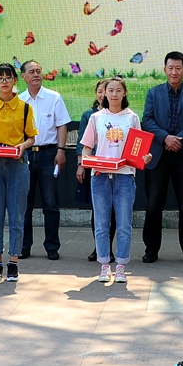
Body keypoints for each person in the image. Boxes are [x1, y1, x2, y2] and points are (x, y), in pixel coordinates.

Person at [79, 76, 151, 283]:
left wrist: (145, 157)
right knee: (102, 223)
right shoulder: (96, 118)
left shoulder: (132, 118)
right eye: (110, 90)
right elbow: (86, 148)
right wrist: (87, 161)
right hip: (100, 176)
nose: (114, 94)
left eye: (118, 90)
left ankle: (121, 267)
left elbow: (139, 148)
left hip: (125, 176)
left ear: (124, 93)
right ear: (104, 93)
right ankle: (104, 265)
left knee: (124, 224)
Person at [0, 63, 38, 283]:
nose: (4, 81)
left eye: (8, 77)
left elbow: (32, 137)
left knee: (17, 214)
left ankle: (13, 262)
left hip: (17, 163)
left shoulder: (24, 108)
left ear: (15, 80)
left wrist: (23, 146)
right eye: (0, 78)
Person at [141, 51, 183, 264]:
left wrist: (180, 139)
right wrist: (165, 138)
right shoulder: (154, 93)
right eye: (171, 68)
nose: (174, 72)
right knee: (153, 205)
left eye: (178, 68)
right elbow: (147, 120)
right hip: (158, 155)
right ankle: (151, 249)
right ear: (165, 69)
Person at [18, 60, 71, 260]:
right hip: (25, 155)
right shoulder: (19, 100)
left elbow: (62, 125)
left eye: (38, 71)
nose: (36, 75)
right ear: (23, 76)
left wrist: (61, 151)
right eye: (31, 72)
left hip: (49, 154)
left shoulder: (53, 97)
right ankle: (24, 246)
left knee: (50, 203)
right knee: (24, 203)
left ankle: (52, 246)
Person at [76, 79, 116, 263]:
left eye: (105, 91)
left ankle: (110, 249)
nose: (103, 95)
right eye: (100, 91)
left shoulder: (121, 114)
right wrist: (81, 164)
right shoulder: (89, 115)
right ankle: (99, 248)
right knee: (98, 211)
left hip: (115, 169)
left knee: (113, 211)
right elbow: (82, 142)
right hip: (95, 168)